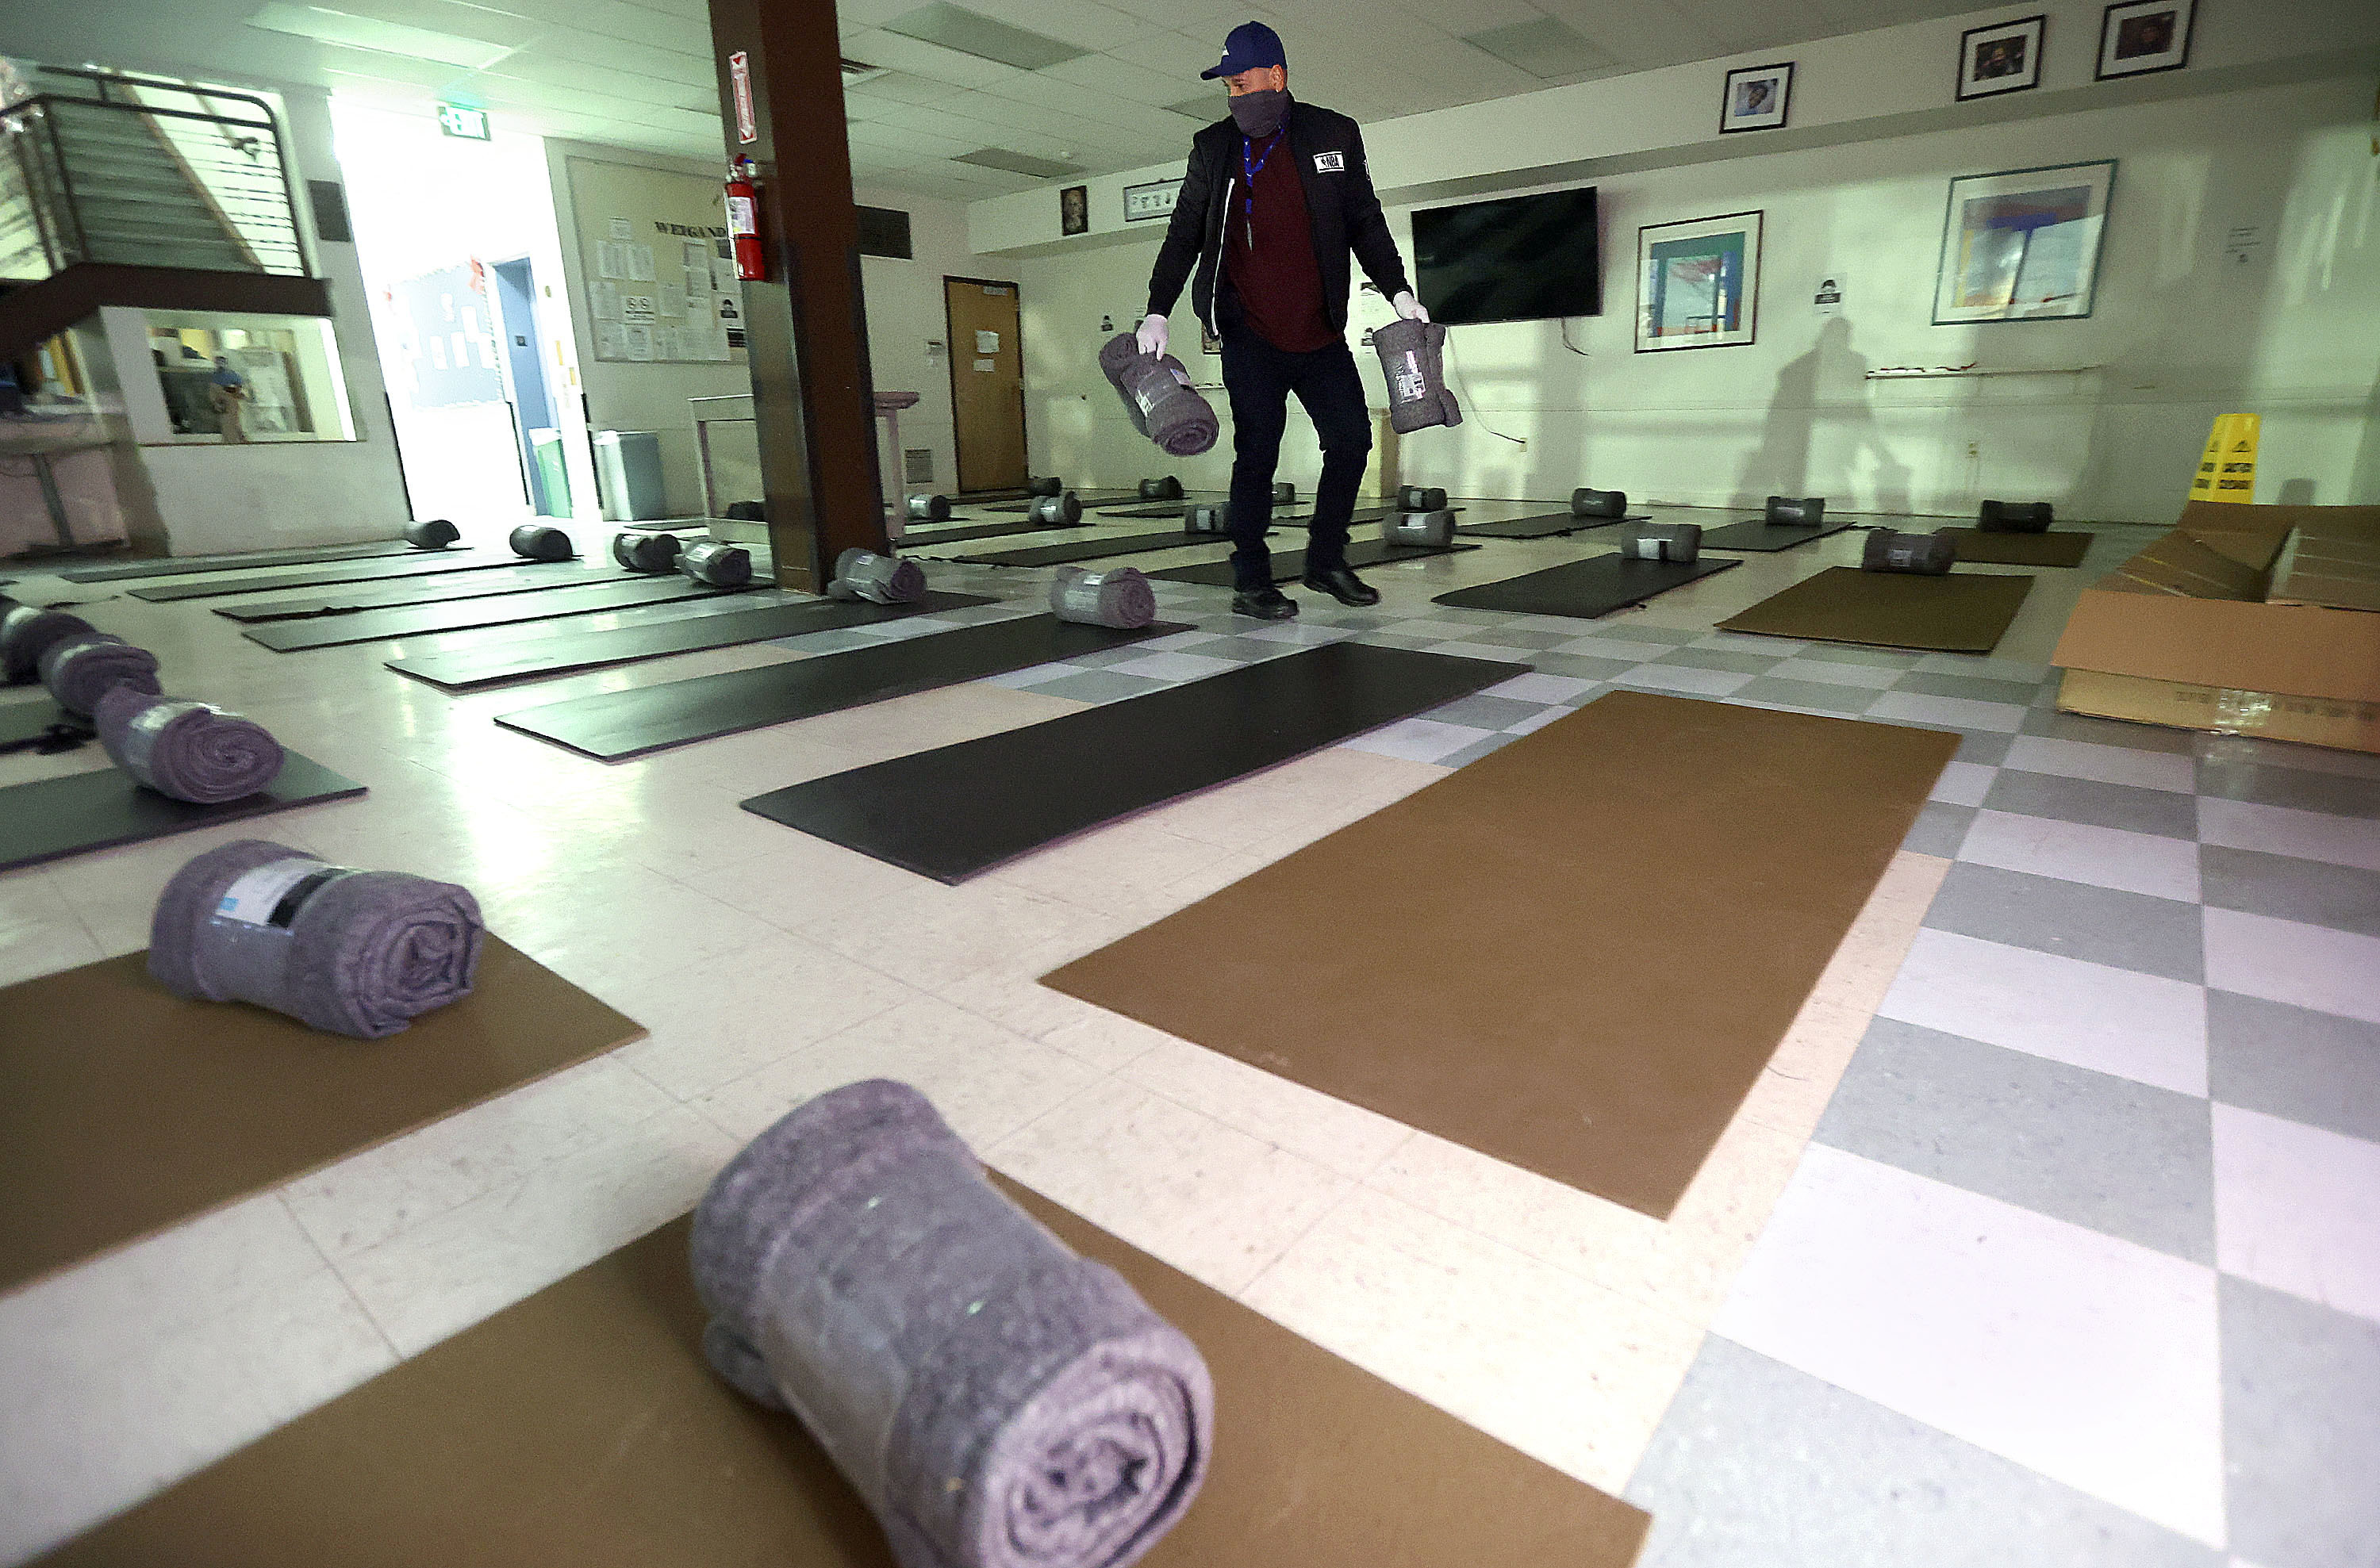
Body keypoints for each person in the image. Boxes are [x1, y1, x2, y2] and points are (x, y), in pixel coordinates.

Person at [1138, 21, 1429, 620]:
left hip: (1319, 330)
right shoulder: (1214, 147)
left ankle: (1326, 560)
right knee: (1257, 455)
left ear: (1277, 76)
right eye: (1228, 88)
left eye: (1242, 84)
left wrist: (1399, 291)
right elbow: (1185, 232)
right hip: (1249, 332)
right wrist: (1157, 310)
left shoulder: (1333, 134)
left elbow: (1365, 221)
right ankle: (1251, 580)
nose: (1235, 98)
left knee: (1351, 441)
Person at [206, 355, 248, 444]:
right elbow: (213, 392)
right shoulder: (214, 377)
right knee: (226, 424)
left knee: (233, 422)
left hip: (230, 402)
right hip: (223, 403)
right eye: (218, 362)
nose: (219, 365)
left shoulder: (232, 375)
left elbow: (240, 387)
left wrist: (236, 393)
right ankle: (230, 441)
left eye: (221, 362)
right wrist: (217, 403)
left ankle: (238, 439)